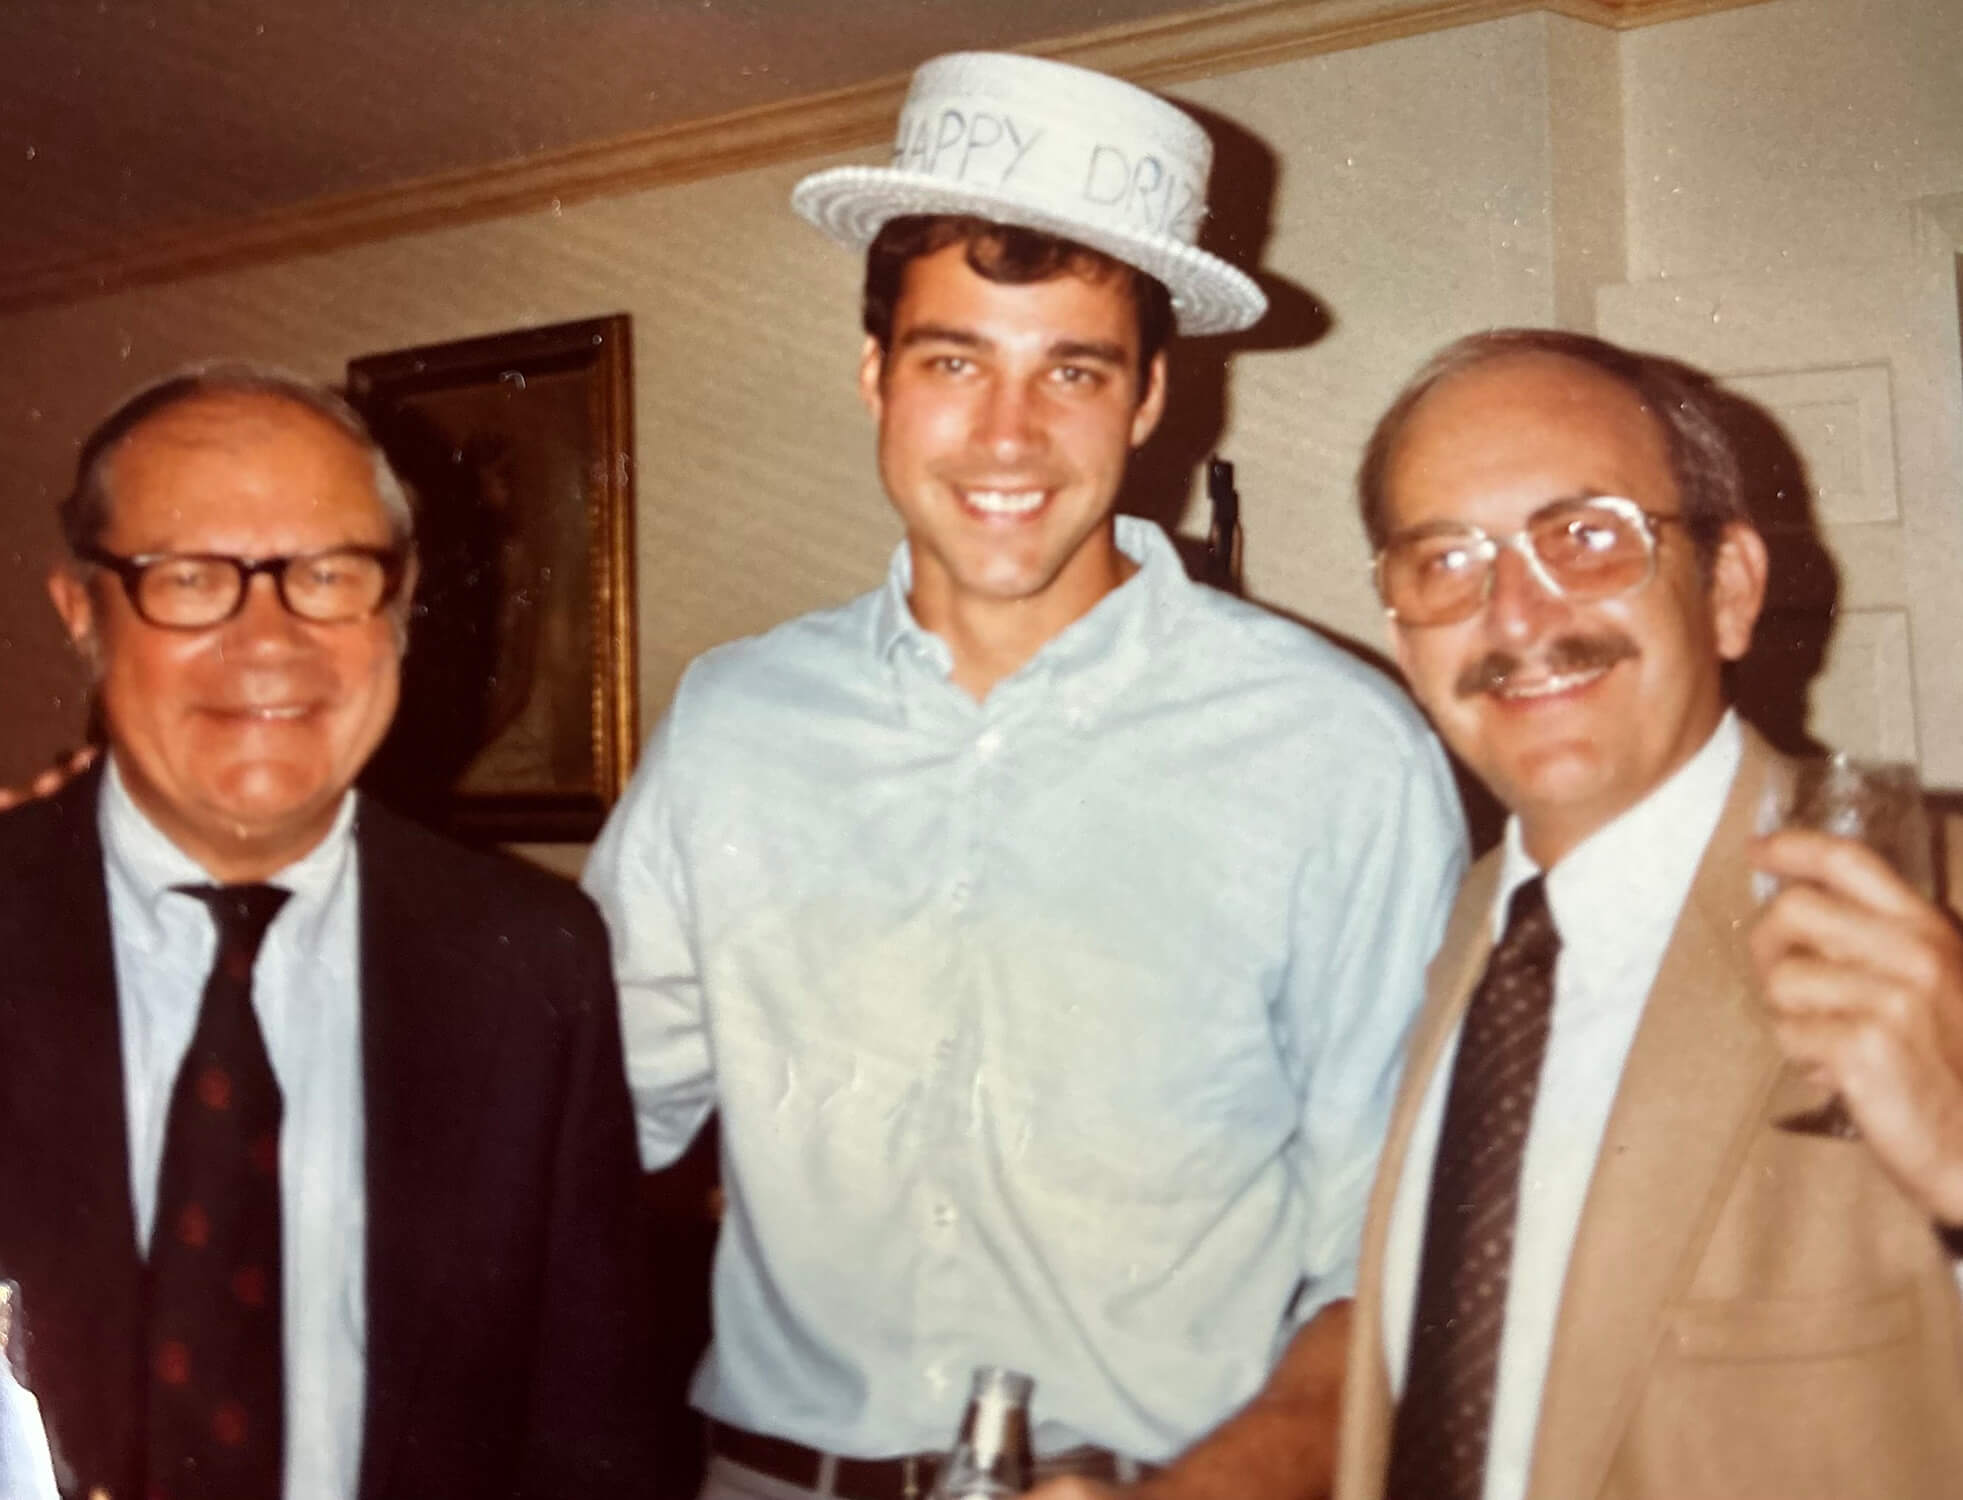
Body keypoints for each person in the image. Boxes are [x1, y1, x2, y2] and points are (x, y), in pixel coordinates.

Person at [582, 50, 1466, 1500]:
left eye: (1071, 368)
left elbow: (1392, 1258)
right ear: (873, 375)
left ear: (1148, 400)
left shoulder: (1336, 754)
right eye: (952, 361)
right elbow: (570, 1116)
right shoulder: (732, 723)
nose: (1007, 435)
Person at [0, 367, 660, 1500]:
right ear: (81, 614)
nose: (271, 642)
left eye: (328, 575)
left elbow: (593, 1437)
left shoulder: (536, 962)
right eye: (192, 577)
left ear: (399, 608)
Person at [1332, 328, 1963, 1500]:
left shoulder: (1932, 905)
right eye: (1445, 560)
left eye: (1587, 538)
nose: (1516, 614)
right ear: (1403, 641)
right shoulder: (1463, 929)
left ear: (1727, 589)